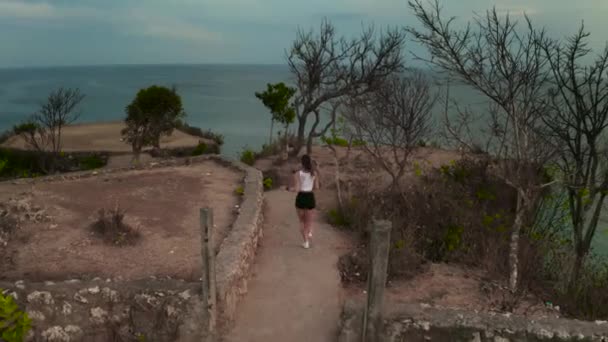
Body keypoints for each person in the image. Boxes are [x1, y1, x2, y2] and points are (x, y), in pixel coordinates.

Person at [289, 154, 320, 249]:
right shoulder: (314, 173)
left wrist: (288, 189)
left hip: (301, 197)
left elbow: (297, 189)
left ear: (302, 163)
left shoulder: (298, 174)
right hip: (310, 196)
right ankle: (310, 231)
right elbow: (317, 187)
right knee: (309, 220)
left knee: (302, 221)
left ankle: (306, 241)